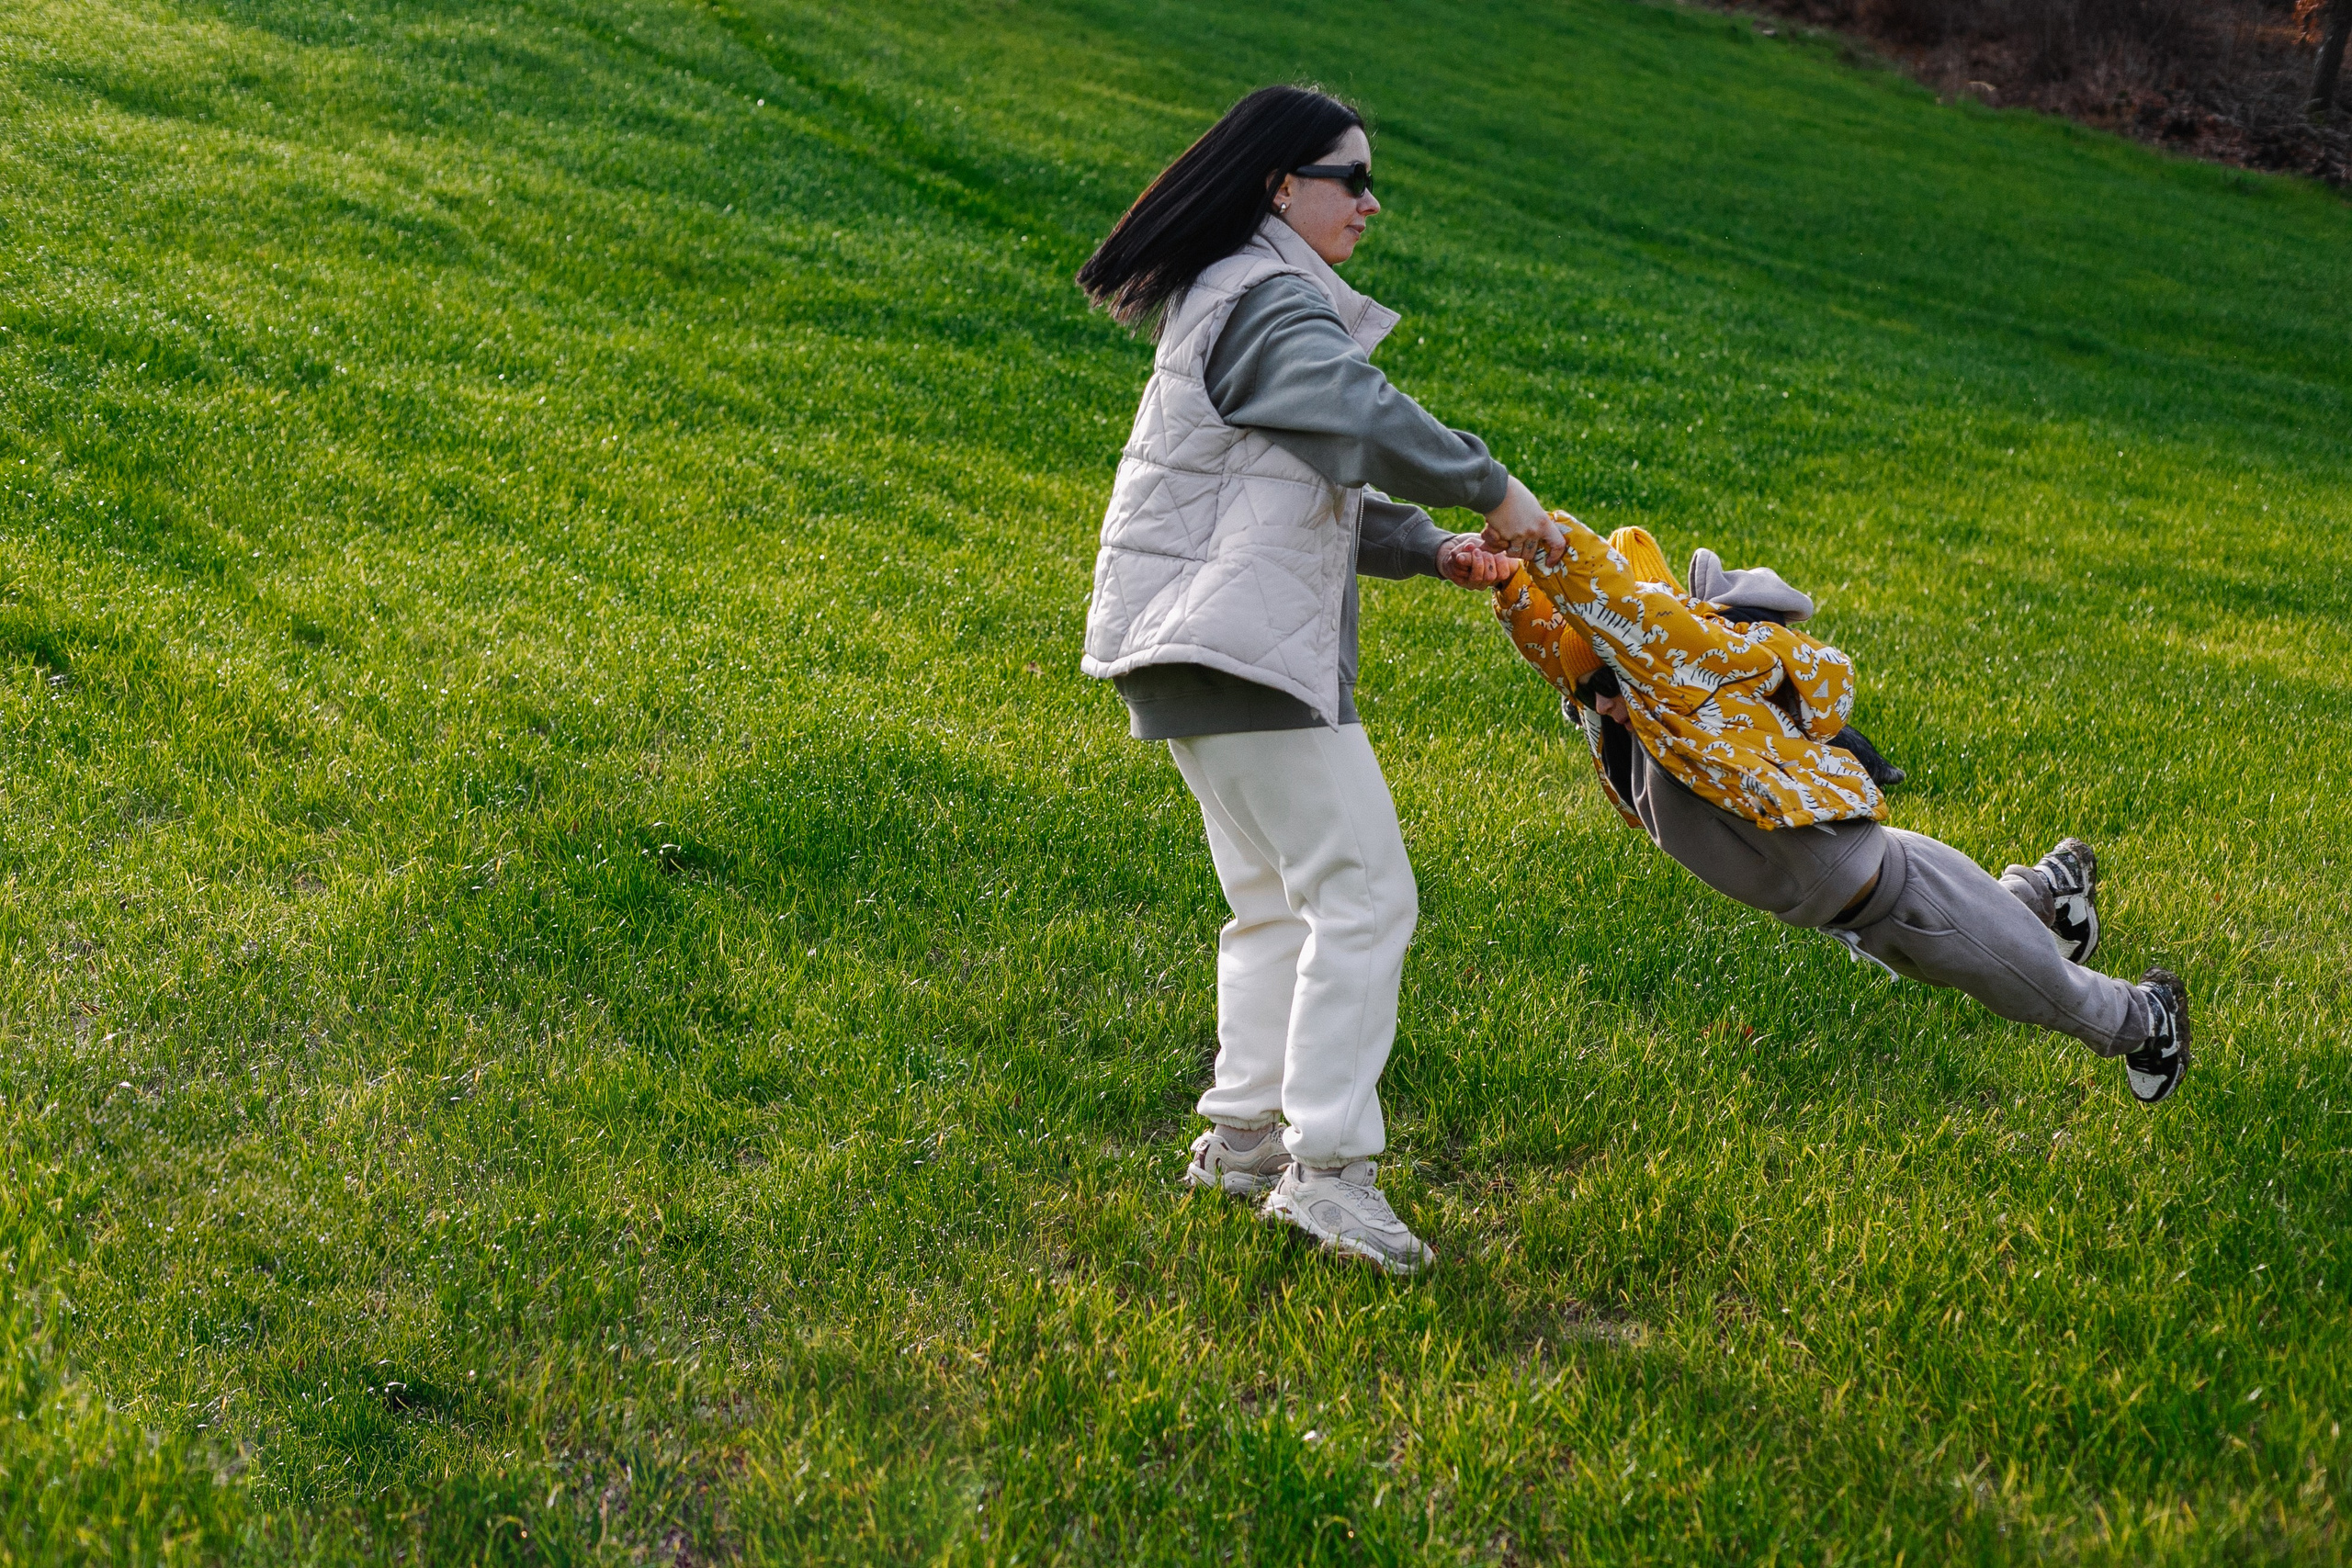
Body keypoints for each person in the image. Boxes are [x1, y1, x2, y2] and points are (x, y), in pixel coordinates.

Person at [1076, 85, 1564, 1275]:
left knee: (1278, 902)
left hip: (1195, 655)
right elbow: (1356, 410)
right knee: (1366, 894)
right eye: (1351, 176)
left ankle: (1242, 1139)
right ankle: (1330, 1171)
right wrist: (1491, 488)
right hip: (1235, 654)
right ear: (1281, 186)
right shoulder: (1270, 299)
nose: (1371, 200)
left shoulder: (1235, 299)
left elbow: (1295, 476)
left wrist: (1426, 544)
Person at [1483, 516, 2192, 1103]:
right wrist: (1502, 573)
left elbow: (1617, 606)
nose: (1606, 701)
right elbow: (1554, 639)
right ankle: (2050, 891)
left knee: (2032, 987)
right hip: (1856, 913)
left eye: (1610, 677)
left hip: (1902, 888)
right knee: (1978, 954)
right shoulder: (1639, 735)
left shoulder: (1683, 677)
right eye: (1587, 693)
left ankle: (2146, 1017)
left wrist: (1539, 531)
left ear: (1636, 645)